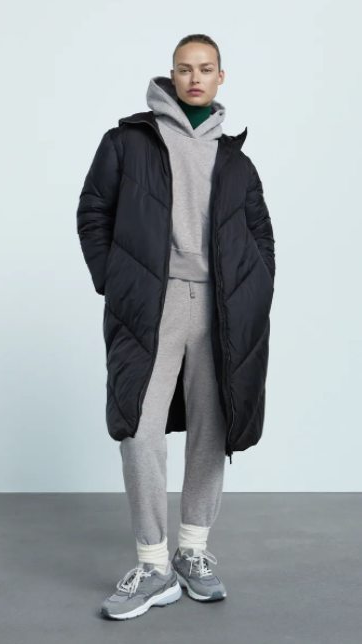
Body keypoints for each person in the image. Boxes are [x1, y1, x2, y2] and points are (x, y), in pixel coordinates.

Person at [76, 34, 275, 620]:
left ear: (220, 77)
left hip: (220, 307)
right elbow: (92, 211)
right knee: (139, 426)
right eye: (185, 69)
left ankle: (192, 551)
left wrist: (256, 286)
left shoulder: (236, 161)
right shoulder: (128, 142)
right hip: (152, 300)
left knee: (214, 427)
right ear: (171, 75)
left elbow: (261, 233)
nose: (194, 78)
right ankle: (153, 563)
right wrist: (117, 280)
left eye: (205, 69)